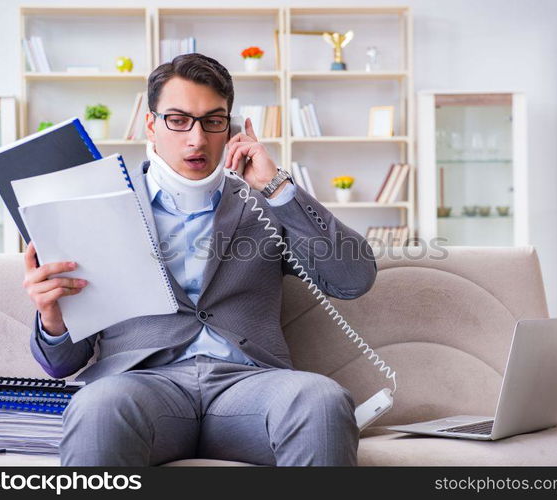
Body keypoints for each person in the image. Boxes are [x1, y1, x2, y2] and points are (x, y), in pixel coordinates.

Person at [23, 53, 377, 466]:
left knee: (321, 398)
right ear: (151, 126)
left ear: (230, 127)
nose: (196, 139)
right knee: (98, 404)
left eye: (213, 121)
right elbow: (61, 363)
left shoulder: (261, 202)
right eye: (178, 120)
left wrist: (276, 187)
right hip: (142, 388)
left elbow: (353, 279)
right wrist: (52, 317)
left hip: (251, 388)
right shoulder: (96, 206)